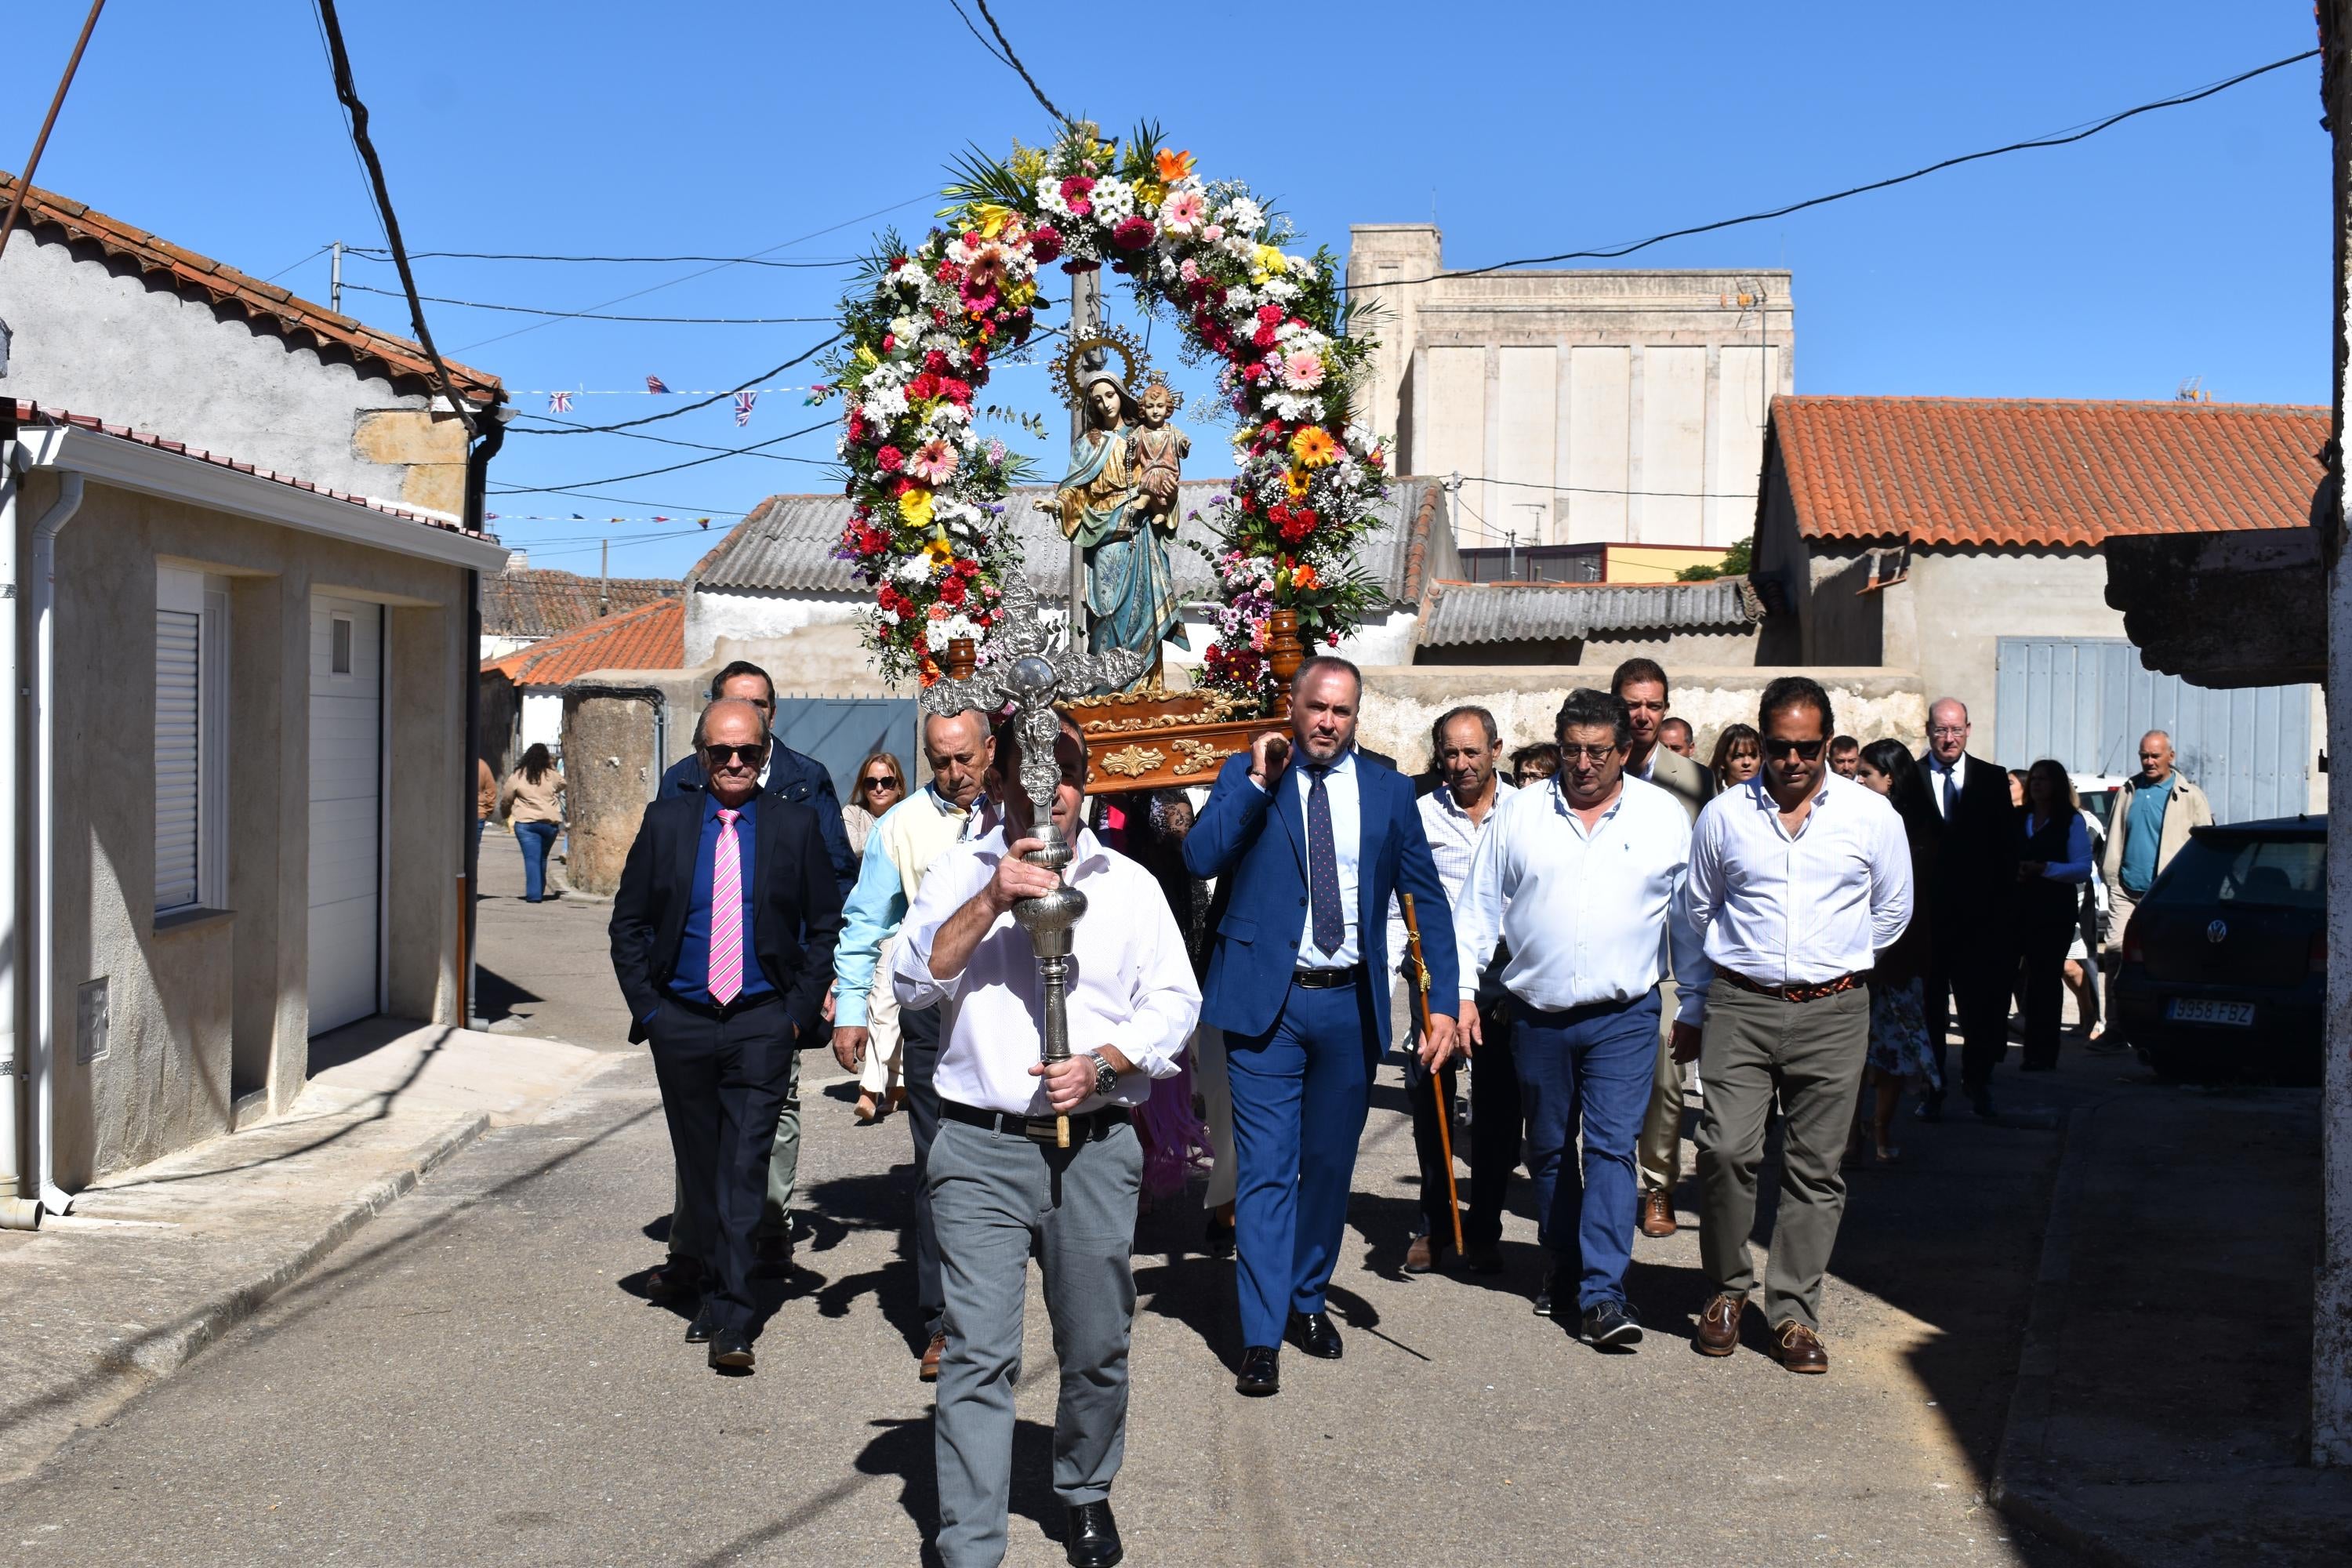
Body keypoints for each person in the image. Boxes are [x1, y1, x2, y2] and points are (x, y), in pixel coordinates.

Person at [892, 710, 1197, 1568]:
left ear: (1083, 781)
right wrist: (992, 896)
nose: (1045, 796)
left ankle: (1085, 1488)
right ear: (998, 786)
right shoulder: (961, 868)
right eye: (1025, 782)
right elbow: (914, 979)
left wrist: (1105, 1064)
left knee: (1096, 1342)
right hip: (979, 1145)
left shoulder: (1129, 884)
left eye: (1060, 777)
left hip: (1094, 1146)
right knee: (978, 1353)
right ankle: (970, 1542)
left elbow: (1175, 1002)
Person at [1183, 655, 1459, 1397]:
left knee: (1330, 1170)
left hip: (1349, 1005)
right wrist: (1253, 783)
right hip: (1264, 1009)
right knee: (1269, 1172)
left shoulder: (1389, 791)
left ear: (1355, 717)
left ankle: (1308, 1298)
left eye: (1341, 711)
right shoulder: (1252, 781)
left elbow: (1424, 899)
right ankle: (1262, 1334)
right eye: (1316, 709)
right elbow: (1201, 854)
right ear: (1294, 709)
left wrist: (1441, 1002)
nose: (1327, 723)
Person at [1455, 688, 1701, 1347]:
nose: (1583, 764)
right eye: (1571, 750)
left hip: (1625, 1015)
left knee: (1613, 1149)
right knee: (1552, 1151)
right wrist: (1461, 994)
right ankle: (1563, 1262)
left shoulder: (1661, 817)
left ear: (1625, 751)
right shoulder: (1521, 815)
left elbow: (1688, 920)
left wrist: (1697, 1001)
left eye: (1598, 752)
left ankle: (1604, 1293)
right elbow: (1478, 910)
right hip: (1537, 1016)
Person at [1679, 677, 1911, 1374]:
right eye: (1780, 747)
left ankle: (1791, 1315)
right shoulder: (1723, 816)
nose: (1793, 761)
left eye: (1808, 748)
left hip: (1835, 1012)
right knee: (1724, 1151)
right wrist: (1695, 1004)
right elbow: (1695, 912)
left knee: (1816, 1169)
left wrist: (1834, 961)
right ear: (1763, 741)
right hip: (1741, 1006)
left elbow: (1893, 910)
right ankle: (1726, 1291)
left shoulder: (1872, 818)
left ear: (1830, 744)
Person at [608, 699, 844, 1370]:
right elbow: (629, 926)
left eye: (748, 752)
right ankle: (712, 1294)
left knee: (744, 1168)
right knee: (701, 1170)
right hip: (680, 1022)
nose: (735, 763)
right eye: (721, 753)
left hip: (761, 1022)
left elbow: (825, 925)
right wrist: (652, 1015)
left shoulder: (794, 827)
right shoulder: (667, 823)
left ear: (765, 754)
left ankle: (735, 1319)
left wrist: (796, 1012)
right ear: (701, 756)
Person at [832, 706, 995, 1380]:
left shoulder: (1020, 811)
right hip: (934, 1014)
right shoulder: (899, 827)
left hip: (1013, 1011)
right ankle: (943, 1323)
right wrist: (849, 1010)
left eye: (966, 758)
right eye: (940, 762)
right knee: (938, 1164)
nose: (955, 774)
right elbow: (866, 922)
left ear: (991, 750)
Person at [1384, 706, 1515, 1276]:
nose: (1461, 765)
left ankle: (1485, 1224)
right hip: (1434, 972)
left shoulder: (1525, 813)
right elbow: (1397, 903)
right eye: (1451, 753)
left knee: (1499, 1107)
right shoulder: (1419, 816)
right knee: (1431, 1096)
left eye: (1472, 752)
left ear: (1497, 750)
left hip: (1505, 975)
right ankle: (1434, 1223)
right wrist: (1402, 974)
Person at [1610, 659, 1714, 1241]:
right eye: (1632, 702)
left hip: (1672, 957)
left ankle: (1657, 1187)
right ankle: (1606, 1181)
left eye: (1653, 704)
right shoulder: (1595, 767)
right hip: (1608, 947)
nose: (1642, 714)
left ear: (1666, 708)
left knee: (1667, 1081)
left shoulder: (1695, 782)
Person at [660, 660, 858, 895]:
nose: (749, 712)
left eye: (758, 704)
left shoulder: (809, 778)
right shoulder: (681, 778)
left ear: (772, 715)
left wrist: (816, 931)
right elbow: (655, 875)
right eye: (737, 703)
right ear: (713, 710)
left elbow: (837, 872)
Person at [1914, 699, 2021, 1121]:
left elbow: (2008, 850)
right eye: (1941, 730)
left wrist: (2002, 915)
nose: (1948, 739)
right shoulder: (1914, 779)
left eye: (1956, 730)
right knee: (1930, 1010)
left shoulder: (1992, 779)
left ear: (1969, 730)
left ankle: (1978, 1082)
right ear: (1929, 731)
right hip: (1928, 921)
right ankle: (1933, 1086)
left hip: (1980, 921)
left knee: (1979, 1009)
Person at [1852, 739, 1941, 1162]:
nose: (1857, 780)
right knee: (1849, 1055)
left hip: (1900, 960)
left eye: (1866, 774)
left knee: (1892, 1052)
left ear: (1891, 778)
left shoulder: (1920, 830)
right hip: (1852, 958)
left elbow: (1919, 903)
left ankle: (1882, 1128)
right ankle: (1849, 1135)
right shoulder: (1848, 820)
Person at [2100, 730, 2213, 957]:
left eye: (2155, 756)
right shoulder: (2128, 790)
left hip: (2168, 892)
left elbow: (2206, 849)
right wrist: (2110, 872)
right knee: (2116, 955)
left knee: (2165, 955)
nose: (2149, 762)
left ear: (2171, 756)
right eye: (2144, 756)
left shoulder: (2190, 796)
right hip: (2125, 890)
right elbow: (2115, 836)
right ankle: (2116, 995)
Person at [2016, 760, 2093, 1072]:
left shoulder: (2070, 821)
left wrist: (2045, 868)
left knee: (2046, 981)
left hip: (2054, 911)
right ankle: (2024, 1049)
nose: (2036, 784)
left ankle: (2044, 1053)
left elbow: (2082, 868)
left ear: (2057, 785)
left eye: (2044, 780)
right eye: (2033, 779)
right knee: (2022, 981)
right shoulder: (2019, 818)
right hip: (2019, 907)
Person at [500, 744, 567, 903]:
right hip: (549, 823)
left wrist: (506, 814)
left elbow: (507, 797)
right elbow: (563, 784)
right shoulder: (551, 775)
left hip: (526, 823)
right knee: (542, 858)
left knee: (532, 858)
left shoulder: (518, 775)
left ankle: (534, 894)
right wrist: (551, 767)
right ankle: (539, 889)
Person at [843, 750, 907, 859]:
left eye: (887, 782)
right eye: (871, 782)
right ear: (863, 787)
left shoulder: (909, 815)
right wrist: (892, 832)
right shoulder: (852, 813)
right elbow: (848, 845)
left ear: (900, 787)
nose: (879, 789)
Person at [1708, 724, 1761, 791]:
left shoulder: (1773, 795)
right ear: (1722, 761)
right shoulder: (1709, 795)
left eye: (1753, 756)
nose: (1746, 762)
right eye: (1738, 756)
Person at [475, 756, 497, 863]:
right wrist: (486, 810)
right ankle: (471, 878)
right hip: (478, 813)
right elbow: (491, 790)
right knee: (473, 850)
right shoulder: (482, 765)